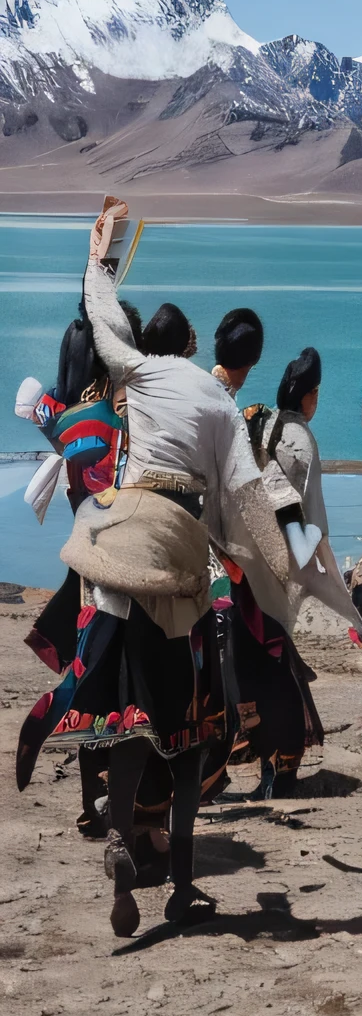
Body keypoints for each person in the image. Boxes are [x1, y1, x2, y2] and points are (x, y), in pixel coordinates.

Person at [35, 201, 297, 933]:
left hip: (111, 563)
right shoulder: (207, 401)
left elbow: (101, 318)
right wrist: (286, 567)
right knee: (185, 735)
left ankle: (119, 835)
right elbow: (242, 500)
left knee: (127, 720)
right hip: (176, 572)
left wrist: (99, 259)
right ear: (190, 348)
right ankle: (180, 884)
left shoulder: (122, 395)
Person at [16, 307, 134, 838]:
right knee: (120, 682)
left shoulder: (66, 416)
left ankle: (93, 799)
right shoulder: (110, 421)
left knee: (90, 679)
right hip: (120, 566)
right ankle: (120, 796)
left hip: (85, 565)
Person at [222, 348, 361, 797]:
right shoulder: (301, 439)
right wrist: (321, 569)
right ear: (309, 396)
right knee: (277, 656)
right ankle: (283, 763)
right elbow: (311, 512)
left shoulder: (259, 421)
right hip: (280, 561)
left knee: (251, 653)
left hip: (244, 559)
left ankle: (260, 751)